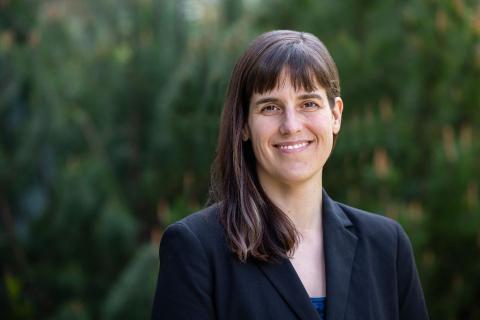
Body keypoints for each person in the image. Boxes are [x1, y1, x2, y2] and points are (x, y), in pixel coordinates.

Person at [151, 30, 429, 320]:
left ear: (335, 116)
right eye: (270, 107)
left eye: (308, 103)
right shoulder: (195, 248)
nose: (291, 125)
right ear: (243, 124)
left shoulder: (387, 246)